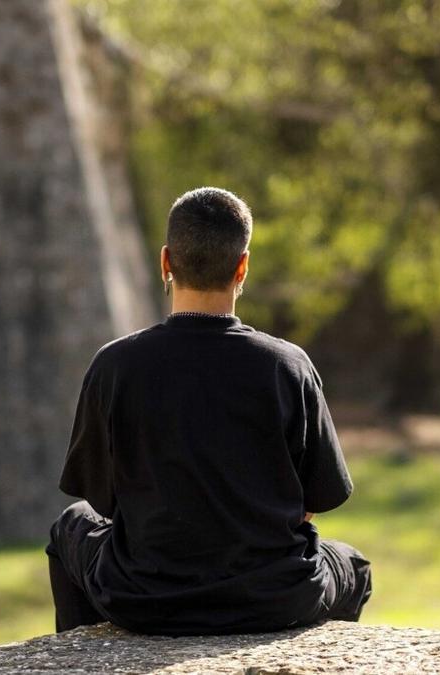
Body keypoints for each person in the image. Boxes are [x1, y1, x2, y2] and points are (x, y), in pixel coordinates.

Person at [44, 187, 372, 636]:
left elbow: (102, 500)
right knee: (353, 565)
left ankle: (84, 661)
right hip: (274, 595)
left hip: (142, 596)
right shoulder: (287, 365)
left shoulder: (114, 366)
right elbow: (319, 498)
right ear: (243, 266)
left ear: (165, 263)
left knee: (71, 525)